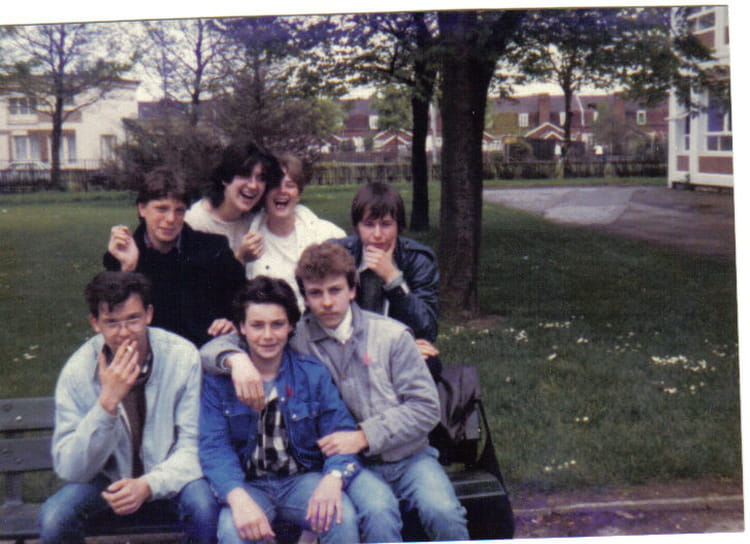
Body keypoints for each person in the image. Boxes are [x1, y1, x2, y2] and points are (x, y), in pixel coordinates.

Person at [201, 242, 469, 542]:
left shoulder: (391, 336)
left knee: (444, 511)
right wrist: (234, 360)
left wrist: (364, 436)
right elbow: (228, 345)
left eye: (335, 290)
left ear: (352, 290)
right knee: (378, 510)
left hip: (407, 456)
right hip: (354, 463)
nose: (327, 302)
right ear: (305, 298)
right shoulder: (296, 337)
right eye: (316, 293)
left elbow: (426, 408)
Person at [38, 271, 218, 543]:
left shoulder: (182, 356)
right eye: (111, 322)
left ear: (149, 314)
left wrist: (148, 485)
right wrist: (107, 404)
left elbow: (193, 446)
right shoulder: (77, 371)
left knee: (204, 507)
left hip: (169, 474)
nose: (124, 333)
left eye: (133, 319)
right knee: (54, 518)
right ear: (95, 323)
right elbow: (70, 468)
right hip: (107, 481)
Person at [199, 276, 361, 544]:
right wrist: (237, 498)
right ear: (242, 327)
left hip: (301, 480)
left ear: (290, 326)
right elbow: (214, 447)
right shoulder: (220, 381)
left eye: (277, 324)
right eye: (257, 325)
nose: (267, 336)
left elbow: (341, 432)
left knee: (339, 516)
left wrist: (333, 477)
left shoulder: (312, 374)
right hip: (248, 484)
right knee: (232, 531)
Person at [104, 166, 245, 347]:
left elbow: (244, 300)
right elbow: (112, 319)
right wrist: (128, 269)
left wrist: (231, 322)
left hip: (204, 351)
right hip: (147, 352)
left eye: (179, 210)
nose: (171, 219)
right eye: (162, 209)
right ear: (142, 209)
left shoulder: (213, 248)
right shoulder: (121, 256)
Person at [333, 182, 442, 377]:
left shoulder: (418, 259)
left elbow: (427, 329)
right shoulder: (338, 255)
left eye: (385, 224)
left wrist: (393, 279)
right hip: (347, 346)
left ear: (399, 226)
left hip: (397, 346)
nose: (377, 235)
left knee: (428, 364)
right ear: (357, 227)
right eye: (368, 225)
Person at [246, 153, 345, 310]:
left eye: (290, 185)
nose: (282, 191)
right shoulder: (248, 238)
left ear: (299, 194)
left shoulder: (329, 235)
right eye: (275, 185)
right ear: (264, 194)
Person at [186, 141, 284, 266]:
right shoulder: (195, 223)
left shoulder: (256, 218)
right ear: (225, 178)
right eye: (244, 175)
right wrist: (240, 258)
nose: (253, 185)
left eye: (261, 178)